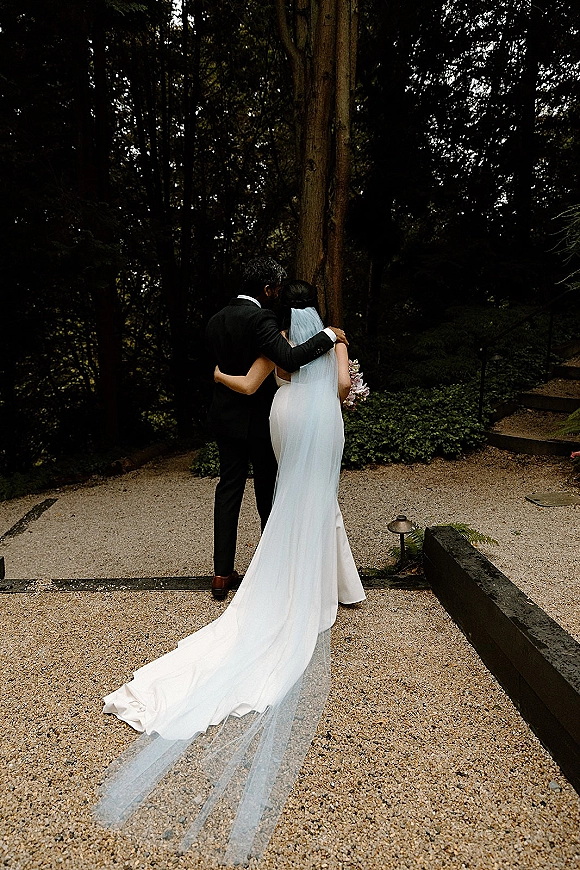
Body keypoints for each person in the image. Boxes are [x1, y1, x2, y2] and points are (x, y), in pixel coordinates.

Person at [96, 281, 365, 865]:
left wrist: (219, 375)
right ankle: (329, 584)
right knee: (316, 499)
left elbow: (248, 382)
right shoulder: (332, 339)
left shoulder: (271, 343)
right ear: (315, 310)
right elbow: (345, 390)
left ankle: (256, 571)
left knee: (283, 495)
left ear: (279, 309)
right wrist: (338, 358)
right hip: (321, 425)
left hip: (281, 416)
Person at [205, 256, 347, 599]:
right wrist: (329, 335)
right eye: (275, 290)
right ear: (266, 290)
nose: (277, 296)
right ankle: (278, 565)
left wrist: (221, 378)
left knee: (228, 490)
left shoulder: (215, 320)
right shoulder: (261, 319)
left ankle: (221, 573)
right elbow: (289, 358)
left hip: (225, 417)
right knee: (268, 490)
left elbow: (214, 368)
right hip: (258, 419)